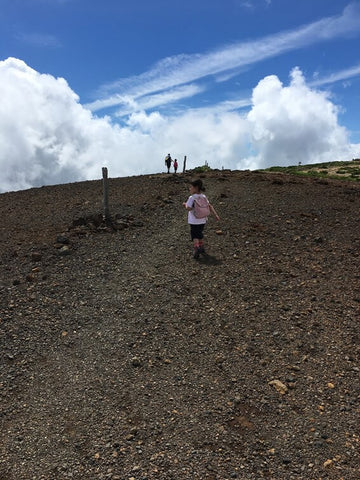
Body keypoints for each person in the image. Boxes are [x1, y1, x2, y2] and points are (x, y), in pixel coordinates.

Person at [182, 179, 220, 259]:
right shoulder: (203, 196)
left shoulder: (192, 198)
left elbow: (188, 208)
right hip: (203, 219)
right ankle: (201, 246)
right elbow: (209, 206)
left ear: (196, 188)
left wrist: (185, 204)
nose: (190, 189)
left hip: (194, 220)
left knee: (194, 234)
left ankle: (197, 248)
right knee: (199, 232)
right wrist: (215, 215)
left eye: (191, 187)